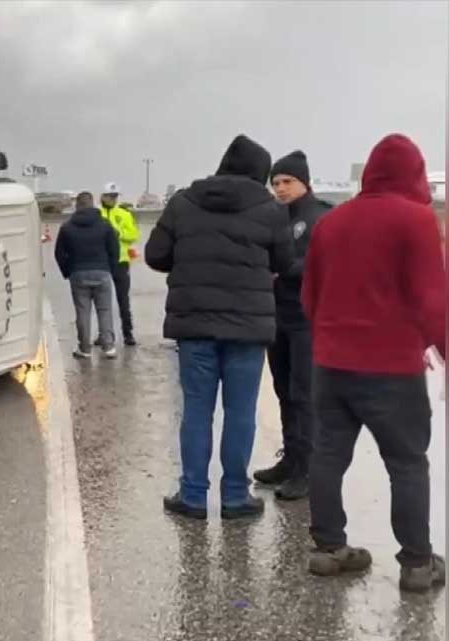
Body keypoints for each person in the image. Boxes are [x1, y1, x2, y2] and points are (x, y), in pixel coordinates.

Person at [301, 133, 446, 592]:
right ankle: (417, 565)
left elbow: (310, 299)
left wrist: (335, 337)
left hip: (330, 365)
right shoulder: (416, 220)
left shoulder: (330, 222)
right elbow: (432, 300)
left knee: (327, 454)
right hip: (391, 370)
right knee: (406, 463)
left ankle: (329, 549)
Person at [144, 134, 292, 520]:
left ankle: (192, 496)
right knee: (240, 411)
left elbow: (155, 255)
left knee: (196, 410)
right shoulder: (270, 209)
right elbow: (286, 261)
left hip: (194, 325)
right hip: (248, 328)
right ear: (260, 174)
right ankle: (234, 497)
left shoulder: (183, 203)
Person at [252, 151, 333, 501]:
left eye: (287, 182)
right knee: (284, 391)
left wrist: (283, 269)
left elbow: (322, 263)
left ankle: (308, 467)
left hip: (307, 319)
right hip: (277, 316)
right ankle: (291, 457)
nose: (281, 189)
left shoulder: (322, 217)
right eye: (276, 183)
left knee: (304, 394)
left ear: (305, 182)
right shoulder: (275, 217)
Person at [55, 191, 120, 359]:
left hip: (78, 273)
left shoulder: (67, 227)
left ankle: (84, 349)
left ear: (77, 205)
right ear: (93, 204)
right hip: (102, 272)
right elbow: (114, 250)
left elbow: (59, 253)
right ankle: (108, 347)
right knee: (104, 310)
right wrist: (110, 270)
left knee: (82, 312)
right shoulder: (105, 225)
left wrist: (68, 271)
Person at [99, 183, 140, 346]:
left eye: (115, 196)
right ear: (103, 197)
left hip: (121, 263)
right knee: (102, 302)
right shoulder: (97, 214)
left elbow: (133, 235)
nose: (113, 199)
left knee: (123, 300)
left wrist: (120, 233)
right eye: (110, 196)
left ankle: (128, 333)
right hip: (102, 262)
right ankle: (103, 334)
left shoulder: (124, 214)